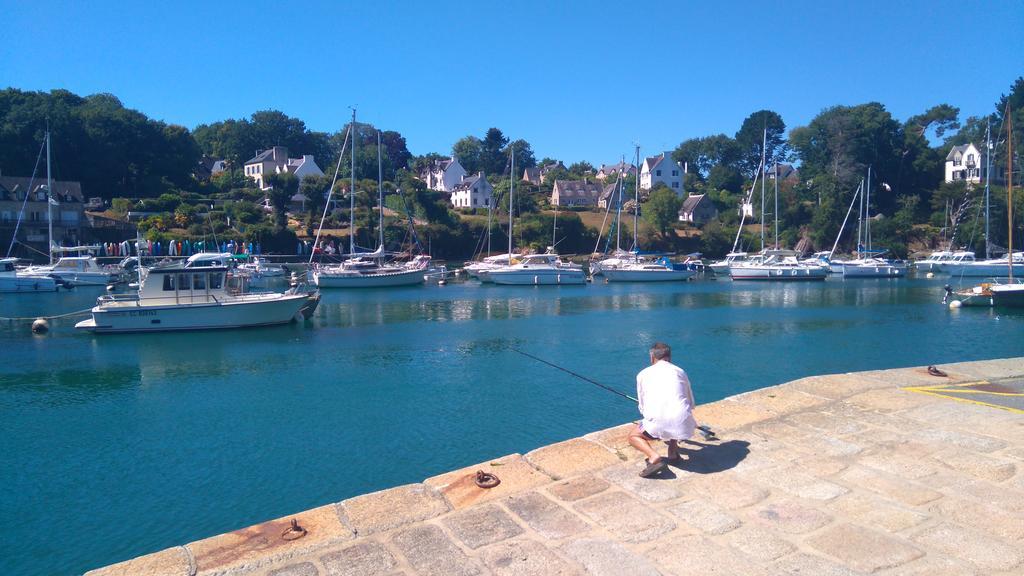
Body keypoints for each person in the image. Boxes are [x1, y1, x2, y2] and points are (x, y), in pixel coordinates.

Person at [628, 342, 697, 478]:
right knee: (676, 419)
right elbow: (690, 401)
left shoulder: (642, 374)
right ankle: (672, 452)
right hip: (682, 422)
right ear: (669, 357)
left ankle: (654, 457)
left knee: (633, 436)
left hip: (657, 422)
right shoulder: (680, 371)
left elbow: (642, 406)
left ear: (652, 356)